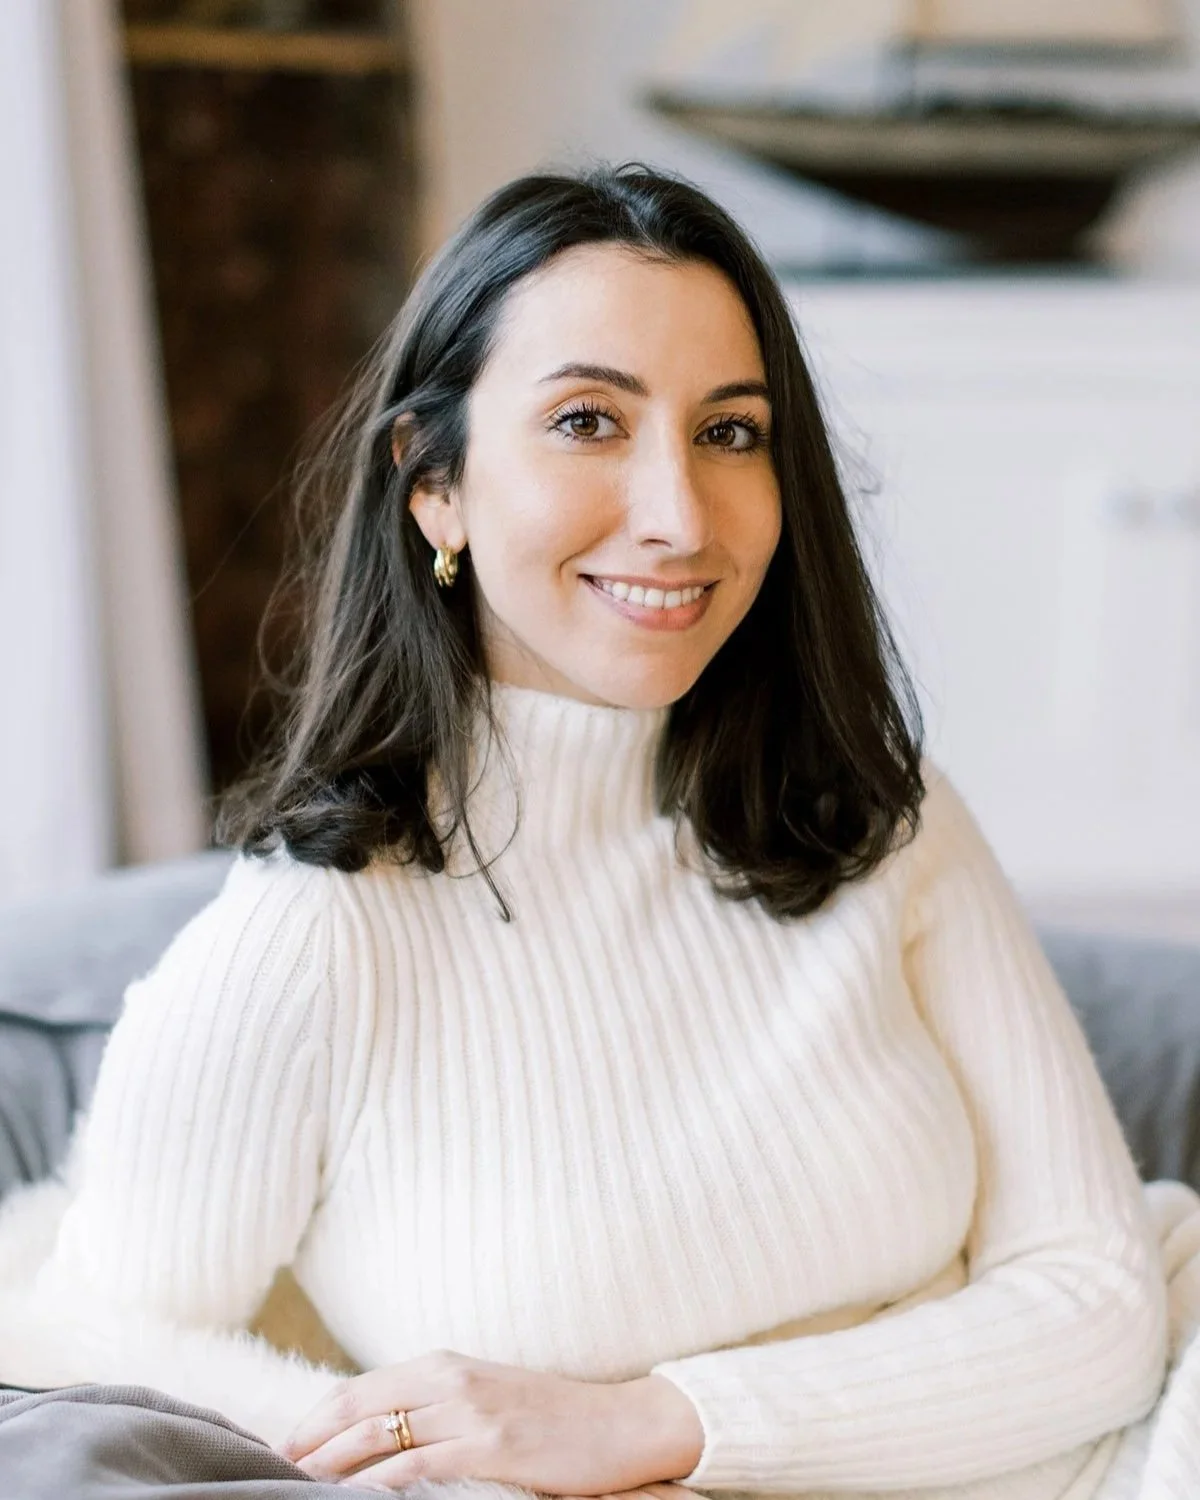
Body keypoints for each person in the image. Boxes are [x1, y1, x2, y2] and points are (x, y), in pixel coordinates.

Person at [2, 162, 1200, 1500]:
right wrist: (409, 1444)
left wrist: (657, 1420)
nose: (679, 517)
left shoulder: (878, 814)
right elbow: (89, 1330)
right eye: (587, 421)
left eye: (731, 433)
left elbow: (1098, 1301)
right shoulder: (322, 929)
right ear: (434, 485)